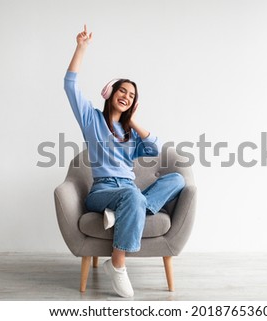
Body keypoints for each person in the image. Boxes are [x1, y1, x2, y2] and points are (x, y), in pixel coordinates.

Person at [64, 24, 185, 298]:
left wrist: (133, 121)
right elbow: (70, 85)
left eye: (131, 96)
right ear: (110, 93)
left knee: (176, 179)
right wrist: (81, 47)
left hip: (128, 190)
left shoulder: (130, 133)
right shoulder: (91, 119)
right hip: (103, 191)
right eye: (123, 91)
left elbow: (155, 148)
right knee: (133, 197)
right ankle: (118, 264)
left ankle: (126, 212)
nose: (126, 97)